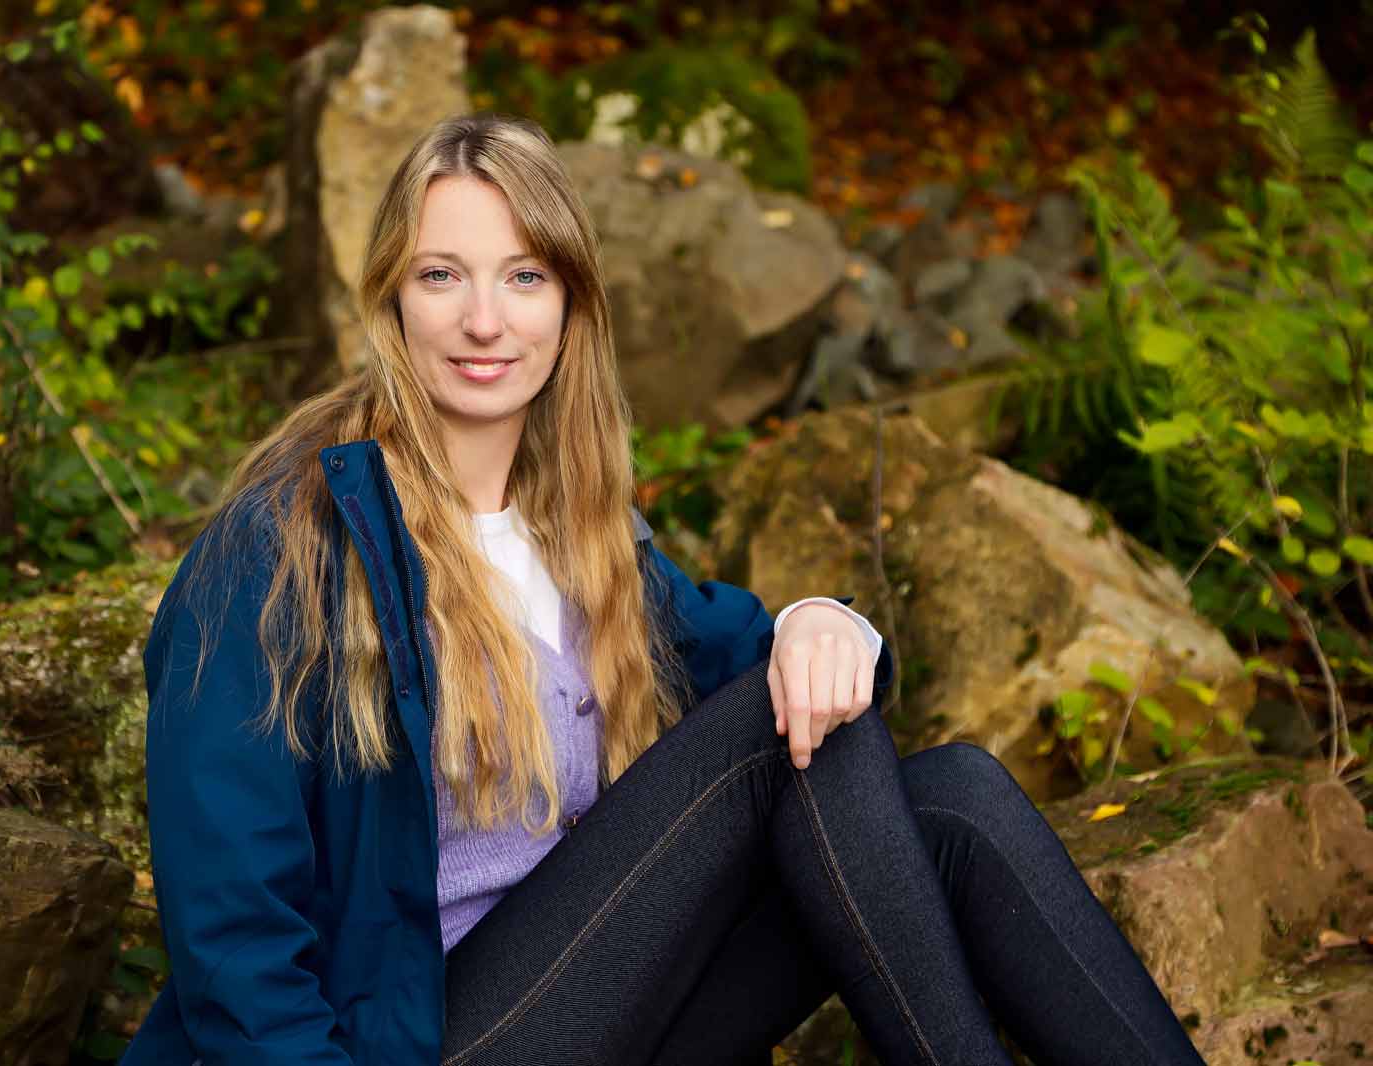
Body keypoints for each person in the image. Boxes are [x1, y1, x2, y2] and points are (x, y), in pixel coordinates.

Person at [119, 113, 1207, 1066]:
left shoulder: (581, 533)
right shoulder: (282, 543)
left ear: (571, 302)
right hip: (413, 1040)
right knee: (771, 738)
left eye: (524, 276)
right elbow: (232, 929)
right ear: (391, 298)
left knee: (956, 798)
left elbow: (766, 657)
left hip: (605, 1012)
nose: (484, 321)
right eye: (442, 275)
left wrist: (828, 620)